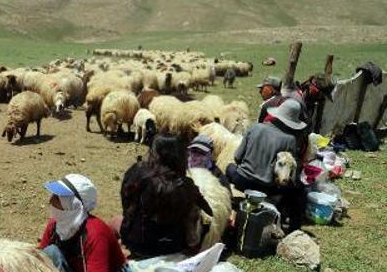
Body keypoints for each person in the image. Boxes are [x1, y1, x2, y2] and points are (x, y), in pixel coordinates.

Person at [118, 134, 213, 257]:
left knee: (116, 221)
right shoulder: (186, 185)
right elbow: (209, 211)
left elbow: (125, 202)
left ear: (154, 151)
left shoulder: (136, 171)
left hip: (136, 242)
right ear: (181, 156)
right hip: (171, 247)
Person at [226, 99, 308, 230]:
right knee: (299, 191)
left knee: (229, 168)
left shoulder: (255, 128)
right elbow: (287, 170)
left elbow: (237, 157)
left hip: (243, 181)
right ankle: (293, 228)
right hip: (268, 188)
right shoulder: (290, 140)